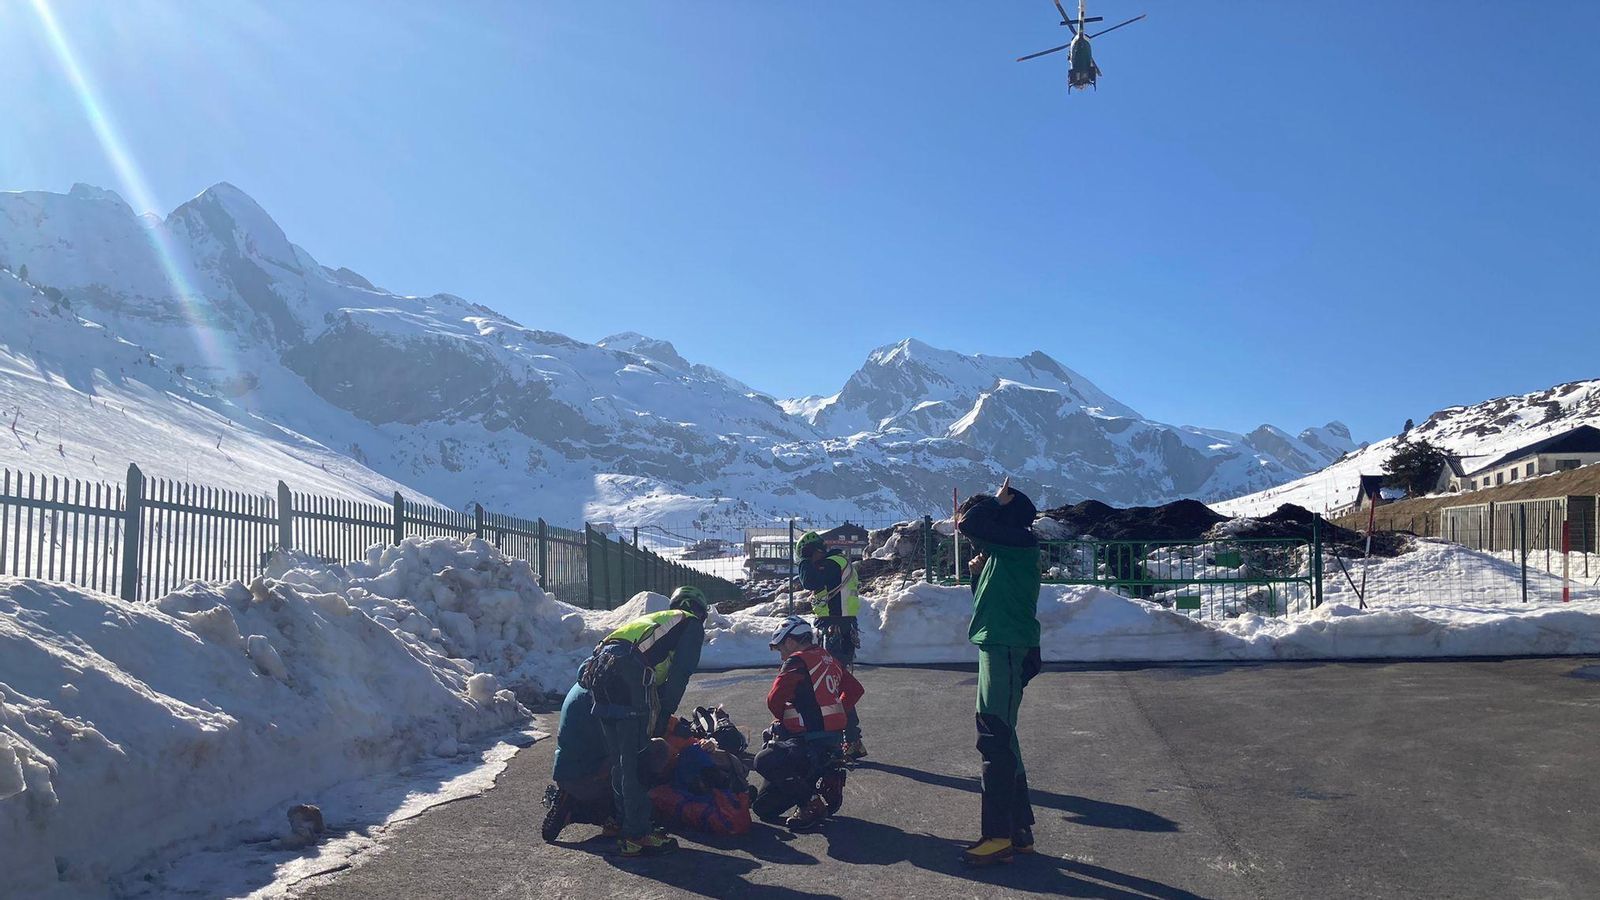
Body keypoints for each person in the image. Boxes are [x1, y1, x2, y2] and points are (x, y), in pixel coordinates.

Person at [578, 585, 708, 858]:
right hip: (628, 675)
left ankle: (621, 821)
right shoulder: (691, 623)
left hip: (600, 670)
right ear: (698, 610)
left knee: (620, 759)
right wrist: (663, 715)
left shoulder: (652, 622)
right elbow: (680, 674)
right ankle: (637, 834)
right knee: (636, 760)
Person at [954, 478, 1044, 867]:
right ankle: (1019, 831)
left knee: (994, 737)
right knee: (1004, 737)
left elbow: (971, 524)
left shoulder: (1020, 546)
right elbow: (988, 602)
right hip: (999, 645)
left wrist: (994, 500)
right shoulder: (1003, 556)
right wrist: (977, 574)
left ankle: (997, 836)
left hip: (1006, 648)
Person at [752, 615, 863, 831]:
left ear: (791, 642)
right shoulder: (829, 658)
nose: (781, 654)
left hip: (805, 741)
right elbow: (855, 690)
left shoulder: (797, 661)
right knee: (763, 808)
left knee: (765, 760)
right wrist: (837, 711)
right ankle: (825, 773)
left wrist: (781, 720)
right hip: (830, 743)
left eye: (780, 647)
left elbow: (774, 699)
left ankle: (809, 802)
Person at [794, 531, 867, 761]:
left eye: (807, 556)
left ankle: (845, 740)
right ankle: (850, 740)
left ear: (814, 551)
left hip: (838, 631)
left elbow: (809, 581)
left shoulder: (833, 564)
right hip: (838, 630)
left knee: (833, 687)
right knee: (836, 685)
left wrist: (804, 562)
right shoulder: (836, 564)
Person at [540, 679, 616, 843]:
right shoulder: (608, 692)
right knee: (647, 760)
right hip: (588, 776)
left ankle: (570, 802)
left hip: (565, 770)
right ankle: (580, 810)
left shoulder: (584, 682)